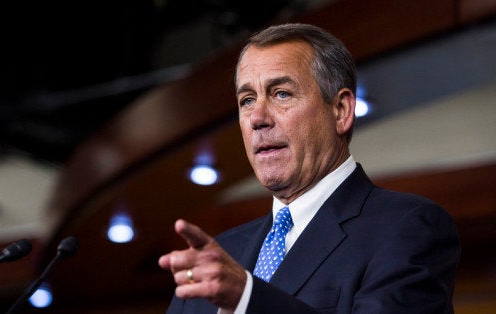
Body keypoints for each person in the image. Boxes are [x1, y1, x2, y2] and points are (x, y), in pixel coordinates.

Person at [158, 23, 460, 313]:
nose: (257, 118)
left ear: (340, 111)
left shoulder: (406, 228)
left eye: (281, 94)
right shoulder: (222, 253)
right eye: (247, 100)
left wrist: (248, 298)